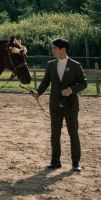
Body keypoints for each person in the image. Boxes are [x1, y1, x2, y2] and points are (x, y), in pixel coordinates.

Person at [32, 37, 87, 172]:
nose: (52, 51)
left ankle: (75, 162)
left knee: (73, 133)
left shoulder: (75, 65)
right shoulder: (50, 65)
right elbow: (45, 82)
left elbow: (83, 83)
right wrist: (38, 92)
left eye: (54, 48)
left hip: (71, 105)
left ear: (63, 50)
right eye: (52, 48)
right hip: (55, 104)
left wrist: (71, 90)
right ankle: (55, 161)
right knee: (55, 134)